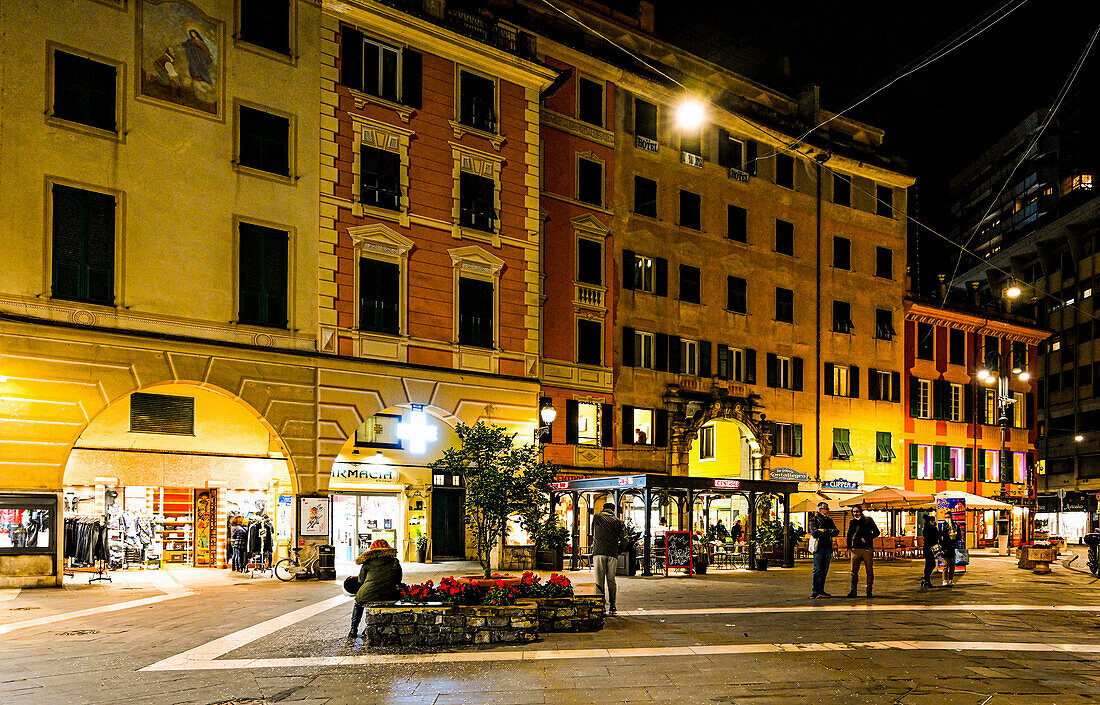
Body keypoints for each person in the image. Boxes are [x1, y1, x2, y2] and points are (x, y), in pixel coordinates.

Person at [349, 539, 402, 638]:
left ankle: (353, 629)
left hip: (368, 593)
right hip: (390, 594)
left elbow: (361, 580)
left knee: (358, 603)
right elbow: (398, 580)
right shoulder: (395, 561)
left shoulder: (367, 562)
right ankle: (368, 629)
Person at [591, 502, 625, 615]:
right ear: (614, 510)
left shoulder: (596, 517)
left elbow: (593, 534)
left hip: (599, 552)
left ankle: (601, 606)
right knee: (611, 580)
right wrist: (618, 550)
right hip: (612, 553)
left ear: (603, 508)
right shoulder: (619, 522)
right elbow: (625, 539)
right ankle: (613, 606)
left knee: (599, 581)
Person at [846, 503, 881, 598]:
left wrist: (868, 538)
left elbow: (877, 532)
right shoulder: (852, 522)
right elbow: (849, 534)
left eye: (857, 511)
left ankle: (869, 591)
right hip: (855, 549)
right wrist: (849, 547)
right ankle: (853, 591)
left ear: (861, 511)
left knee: (869, 571)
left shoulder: (868, 520)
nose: (855, 513)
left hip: (866, 549)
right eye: (853, 512)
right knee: (854, 571)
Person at [808, 502, 839, 598]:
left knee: (824, 570)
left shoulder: (829, 520)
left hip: (828, 547)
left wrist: (824, 530)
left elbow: (836, 531)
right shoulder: (814, 519)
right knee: (818, 569)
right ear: (820, 509)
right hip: (819, 548)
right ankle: (815, 590)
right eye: (826, 508)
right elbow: (815, 533)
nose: (828, 510)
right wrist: (828, 532)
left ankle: (821, 590)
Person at [921, 514, 941, 588]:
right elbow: (937, 537)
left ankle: (926, 580)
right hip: (931, 549)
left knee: (928, 564)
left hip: (926, 548)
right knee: (932, 564)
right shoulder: (933, 529)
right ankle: (926, 579)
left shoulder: (925, 528)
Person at [941, 516, 961, 586]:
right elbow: (940, 537)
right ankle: (944, 579)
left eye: (948, 517)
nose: (947, 518)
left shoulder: (955, 525)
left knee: (952, 565)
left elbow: (959, 536)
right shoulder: (943, 526)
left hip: (952, 548)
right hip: (945, 548)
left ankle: (951, 579)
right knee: (945, 565)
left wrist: (954, 540)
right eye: (946, 517)